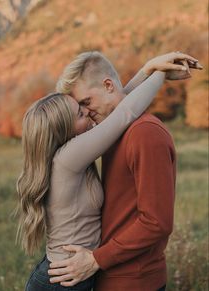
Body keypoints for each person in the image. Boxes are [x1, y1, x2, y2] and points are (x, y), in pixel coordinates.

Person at [46, 51, 202, 291]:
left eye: (86, 102)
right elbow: (122, 106)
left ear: (108, 85)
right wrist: (148, 70)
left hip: (133, 281)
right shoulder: (113, 129)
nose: (85, 113)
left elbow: (156, 222)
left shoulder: (145, 134)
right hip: (110, 275)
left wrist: (97, 259)